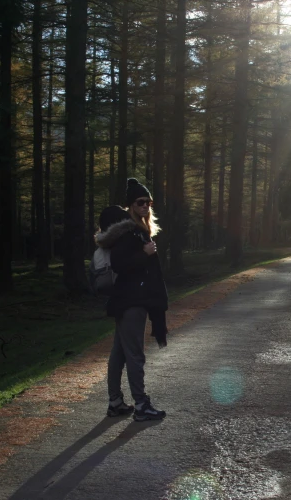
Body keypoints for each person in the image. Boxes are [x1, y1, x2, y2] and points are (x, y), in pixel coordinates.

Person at [94, 178, 168, 421]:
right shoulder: (130, 232)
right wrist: (144, 255)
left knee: (119, 353)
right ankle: (141, 405)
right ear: (130, 206)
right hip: (132, 301)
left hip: (127, 300)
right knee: (135, 354)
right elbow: (120, 264)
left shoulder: (138, 231)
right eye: (140, 202)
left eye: (148, 202)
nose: (145, 206)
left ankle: (115, 402)